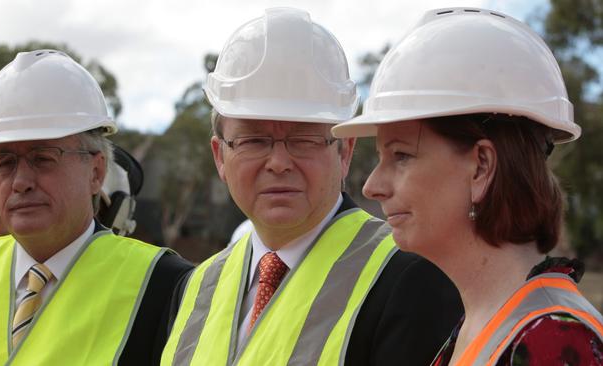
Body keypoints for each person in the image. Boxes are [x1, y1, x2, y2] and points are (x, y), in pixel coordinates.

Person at [161, 7, 462, 366]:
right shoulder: (196, 286)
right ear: (220, 157)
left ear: (345, 152)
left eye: (303, 140)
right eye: (254, 141)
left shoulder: (411, 276)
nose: (278, 162)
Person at [332, 7, 603, 366]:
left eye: (400, 156)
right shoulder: (486, 322)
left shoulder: (553, 342)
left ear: (481, 167)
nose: (371, 186)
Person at [0, 42, 193, 365]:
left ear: (96, 171)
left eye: (43, 158)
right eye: (5, 162)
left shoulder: (168, 286)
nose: (21, 181)